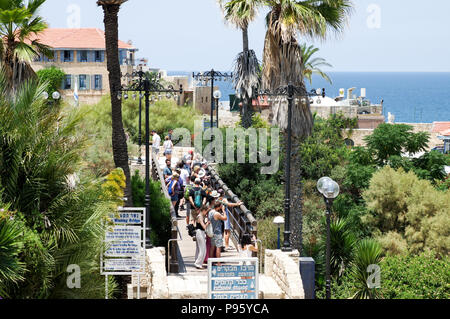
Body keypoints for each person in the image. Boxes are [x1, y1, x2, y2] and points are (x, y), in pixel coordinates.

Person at [194, 205, 210, 269]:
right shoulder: (200, 217)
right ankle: (198, 263)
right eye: (206, 211)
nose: (206, 213)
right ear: (203, 210)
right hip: (200, 232)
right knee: (203, 249)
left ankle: (197, 262)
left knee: (198, 248)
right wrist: (207, 223)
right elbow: (204, 227)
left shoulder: (200, 216)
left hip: (199, 232)